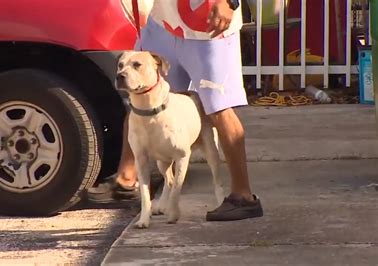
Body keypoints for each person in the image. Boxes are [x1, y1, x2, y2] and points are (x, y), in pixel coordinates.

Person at [88, 0, 263, 221]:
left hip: (208, 27)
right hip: (163, 22)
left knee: (218, 108)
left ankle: (243, 196)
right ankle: (126, 179)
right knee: (143, 99)